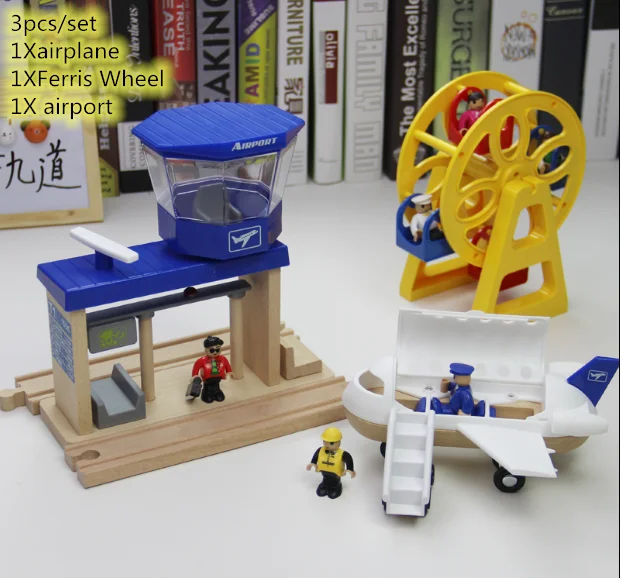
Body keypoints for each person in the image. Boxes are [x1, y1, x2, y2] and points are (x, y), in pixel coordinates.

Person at [306, 427, 356, 499]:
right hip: (324, 473)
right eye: (324, 441)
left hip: (336, 475)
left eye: (331, 443)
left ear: (339, 442)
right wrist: (313, 463)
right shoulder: (320, 450)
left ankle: (336, 487)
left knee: (334, 489)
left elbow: (348, 459)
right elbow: (315, 457)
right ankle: (324, 485)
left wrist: (350, 469)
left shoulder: (342, 454)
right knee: (322, 488)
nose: (326, 445)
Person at [187, 336, 232, 403]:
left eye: (217, 350)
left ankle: (217, 392)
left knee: (217, 389)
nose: (215, 352)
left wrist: (229, 372)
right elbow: (196, 368)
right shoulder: (202, 360)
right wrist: (195, 377)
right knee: (208, 391)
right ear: (206, 350)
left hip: (218, 379)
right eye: (212, 350)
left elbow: (227, 365)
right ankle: (207, 394)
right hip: (207, 380)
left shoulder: (223, 359)